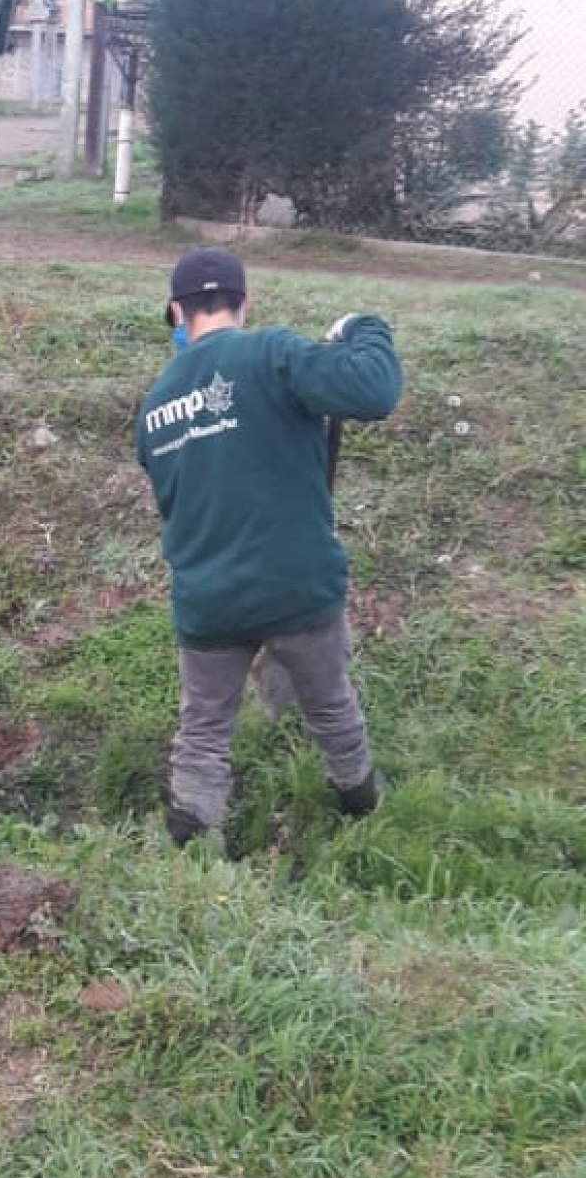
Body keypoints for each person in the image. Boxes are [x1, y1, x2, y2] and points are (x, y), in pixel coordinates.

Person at [135, 246, 404, 845]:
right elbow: (375, 391)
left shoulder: (154, 408)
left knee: (203, 732)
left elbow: (176, 500)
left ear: (177, 313)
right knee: (332, 708)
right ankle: (366, 817)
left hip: (208, 598)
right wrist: (363, 328)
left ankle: (190, 850)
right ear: (245, 302)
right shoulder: (273, 354)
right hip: (296, 585)